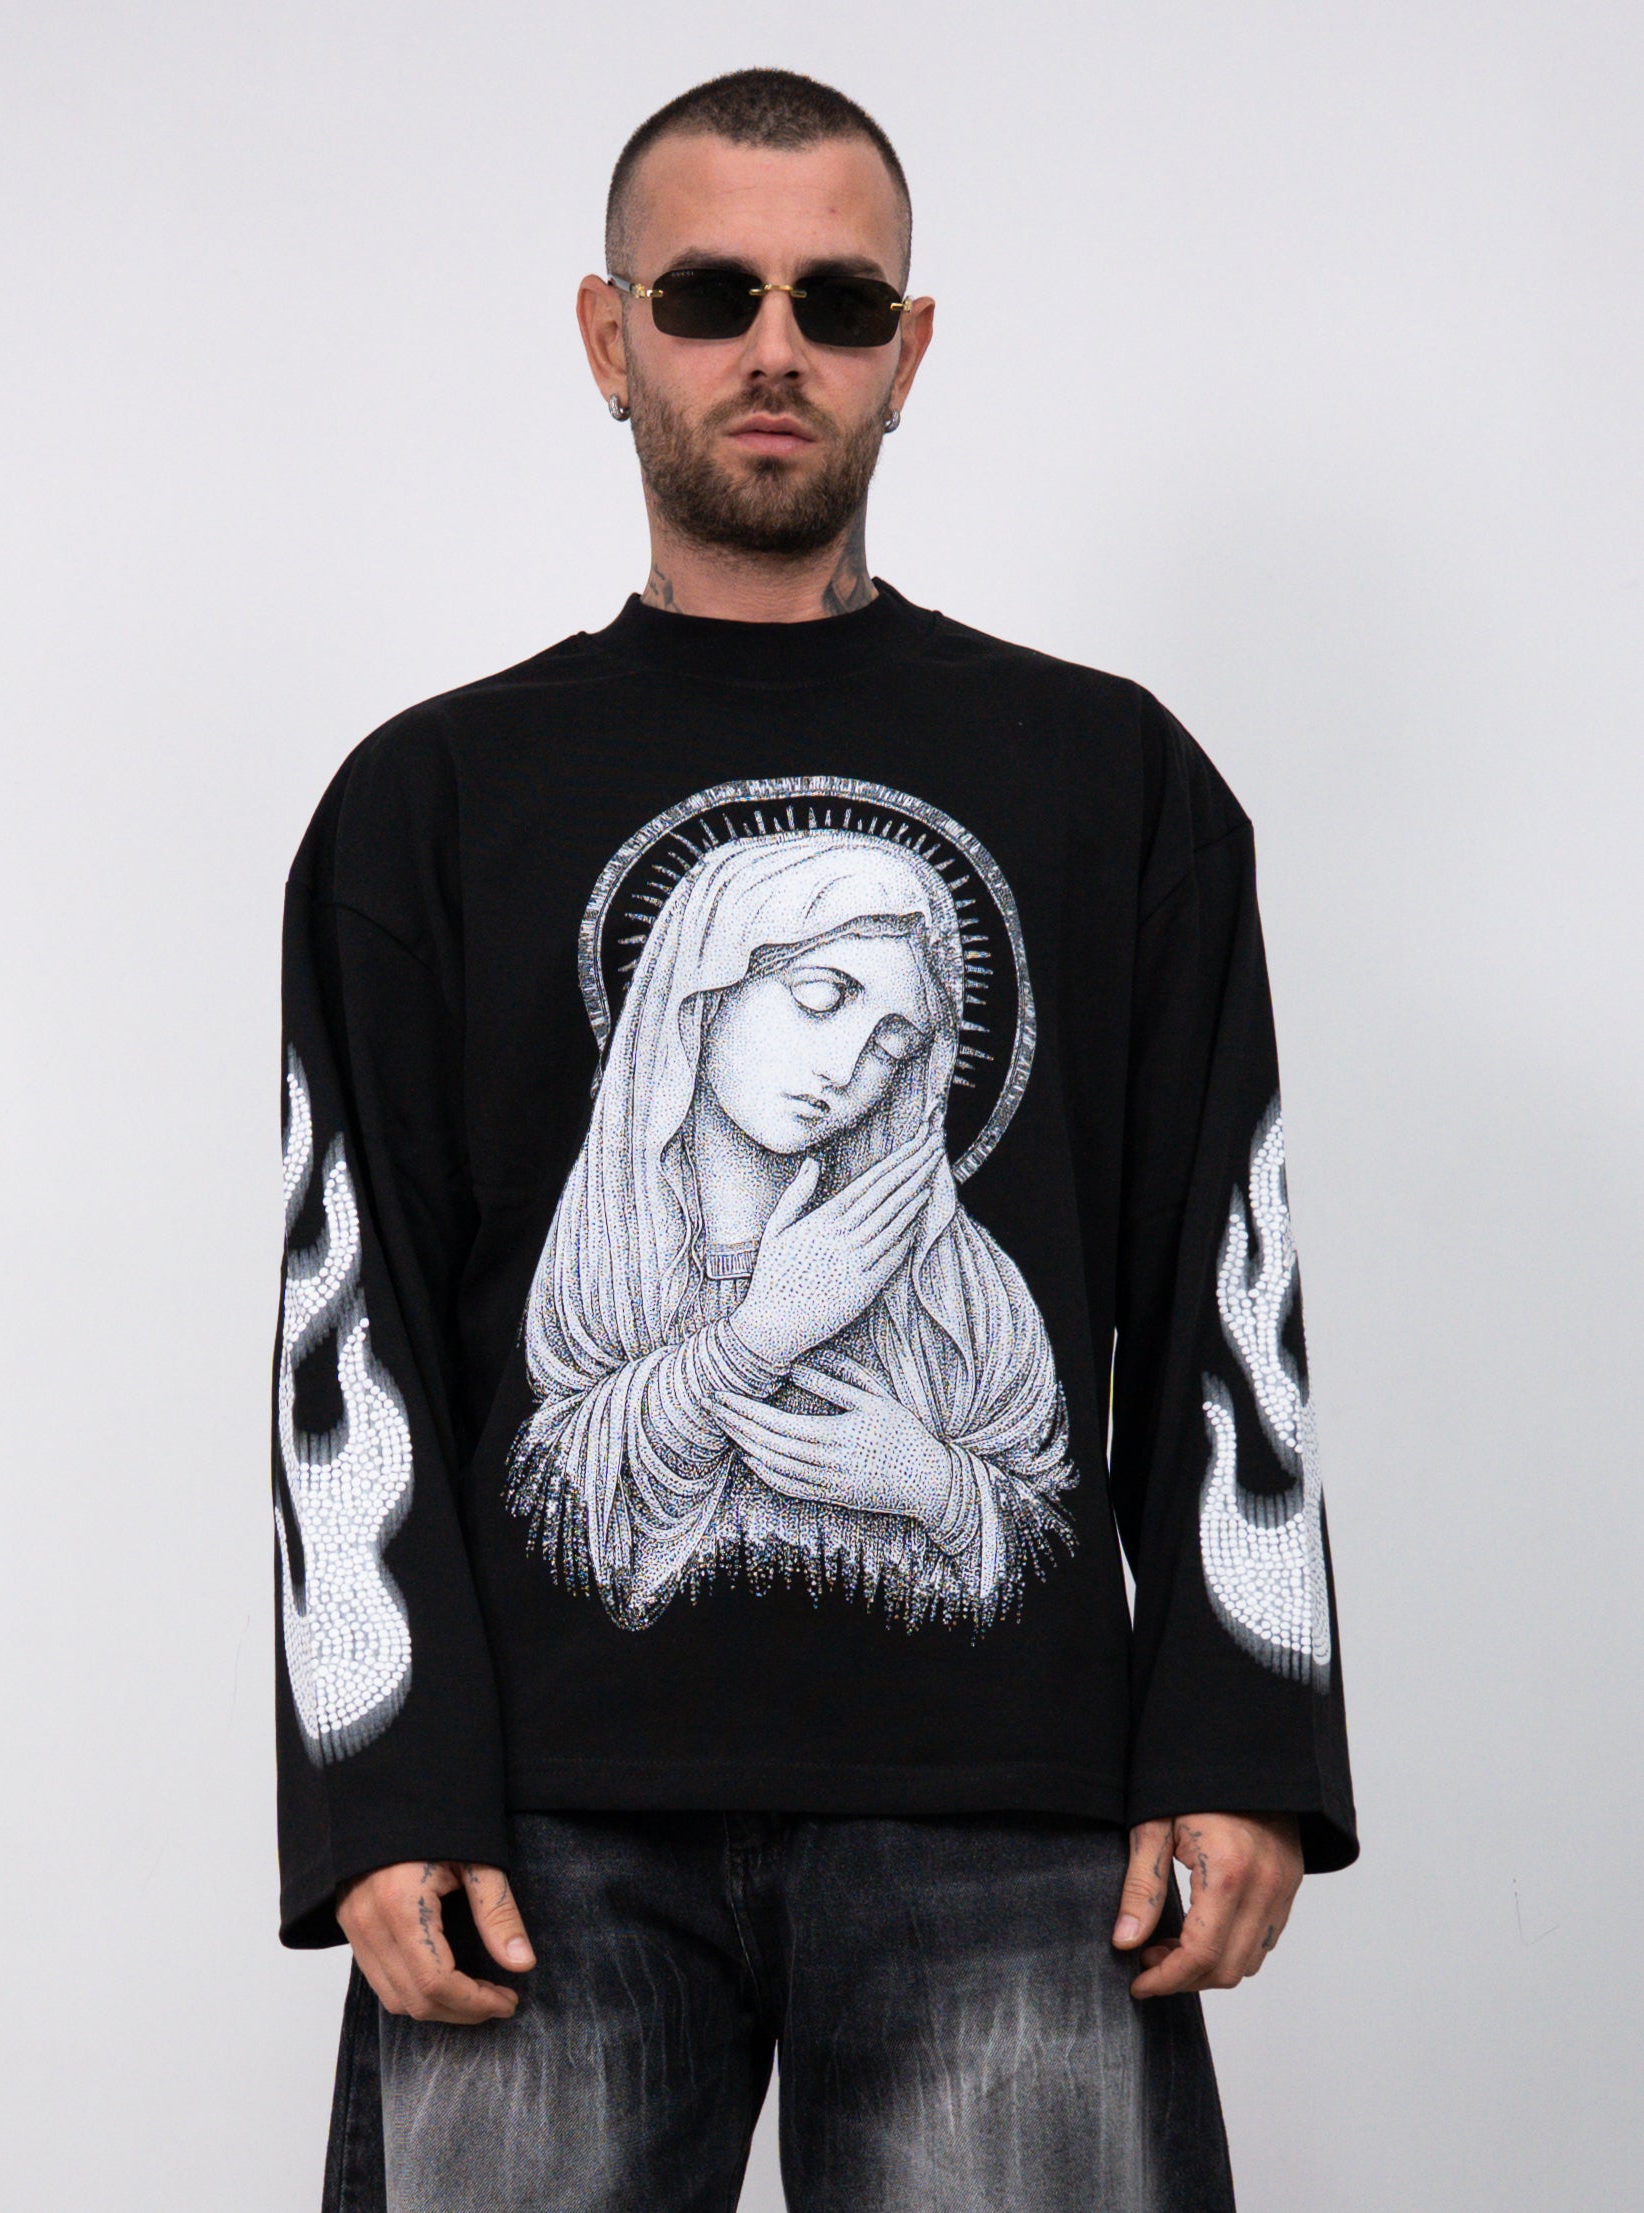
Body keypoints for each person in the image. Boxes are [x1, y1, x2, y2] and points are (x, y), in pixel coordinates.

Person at [273, 67, 1357, 2213]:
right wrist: (376, 1783)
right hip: (544, 1825)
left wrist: (1243, 1739)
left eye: (839, 302)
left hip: (1011, 1816)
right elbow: (346, 1323)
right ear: (611, 339)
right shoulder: (433, 803)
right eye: (710, 293)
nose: (775, 347)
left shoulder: (1108, 777)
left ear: (906, 351)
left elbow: (1221, 1289)